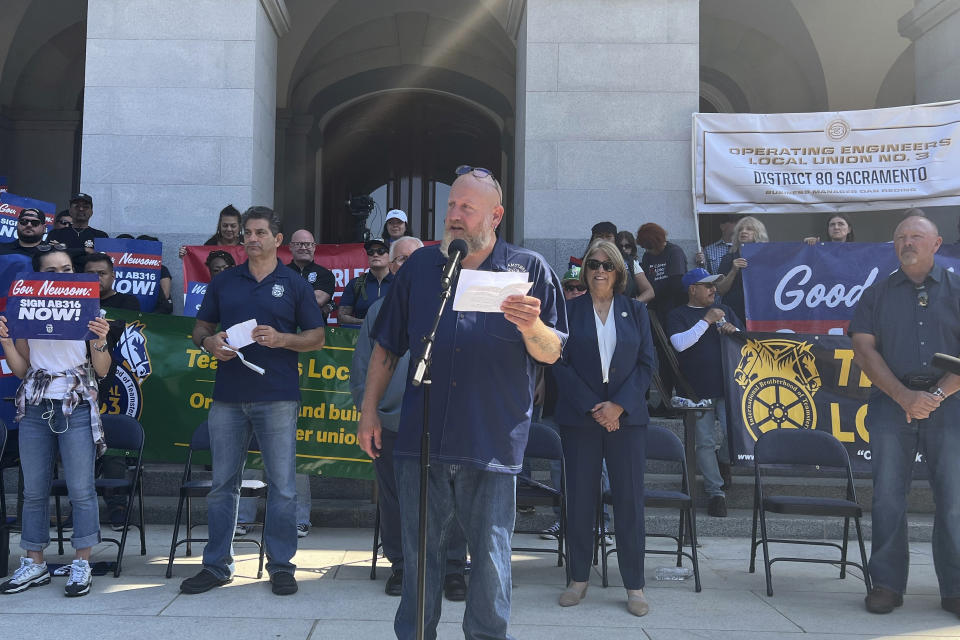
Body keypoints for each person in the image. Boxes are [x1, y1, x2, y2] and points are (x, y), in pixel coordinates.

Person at [356, 166, 566, 639]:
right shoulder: (421, 268)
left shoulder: (528, 270)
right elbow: (386, 347)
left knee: (490, 560)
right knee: (419, 556)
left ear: (495, 215)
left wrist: (531, 325)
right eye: (451, 206)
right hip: (421, 438)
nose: (454, 215)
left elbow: (552, 352)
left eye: (466, 208)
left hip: (489, 439)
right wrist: (369, 412)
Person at [180, 206, 326, 597]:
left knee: (282, 486)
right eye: (247, 232)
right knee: (222, 485)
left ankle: (281, 566)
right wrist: (209, 343)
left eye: (260, 232)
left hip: (277, 396)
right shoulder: (226, 281)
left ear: (278, 240)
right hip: (228, 396)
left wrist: (282, 339)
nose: (251, 238)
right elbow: (200, 327)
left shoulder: (293, 283)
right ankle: (216, 566)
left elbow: (317, 337)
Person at [850, 214, 960, 619]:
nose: (907, 242)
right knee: (888, 497)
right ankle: (886, 585)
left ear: (937, 244)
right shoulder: (877, 293)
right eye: (901, 237)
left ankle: (955, 589)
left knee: (954, 500)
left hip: (952, 403)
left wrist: (931, 396)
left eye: (917, 236)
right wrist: (903, 397)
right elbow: (863, 350)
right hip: (890, 404)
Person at [351, 236, 470, 600]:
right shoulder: (376, 311)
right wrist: (370, 413)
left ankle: (452, 569)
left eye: (410, 259)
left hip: (443, 422)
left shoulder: (449, 306)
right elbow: (362, 371)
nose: (404, 265)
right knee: (395, 499)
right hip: (393, 424)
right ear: (390, 265)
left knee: (452, 499)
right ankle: (402, 566)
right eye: (398, 259)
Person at [0, 245, 112, 597]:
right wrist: (5, 341)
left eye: (66, 270)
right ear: (36, 277)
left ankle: (82, 562)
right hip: (35, 404)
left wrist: (101, 340)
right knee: (33, 490)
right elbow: (23, 369)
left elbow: (103, 370)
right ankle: (33, 562)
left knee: (81, 489)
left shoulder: (92, 310)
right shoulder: (26, 310)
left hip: (75, 404)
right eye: (51, 272)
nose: (61, 277)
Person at [551, 240, 655, 617]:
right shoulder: (568, 310)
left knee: (628, 502)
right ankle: (578, 579)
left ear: (618, 272)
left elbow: (646, 365)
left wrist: (618, 405)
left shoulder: (635, 312)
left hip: (626, 421)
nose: (599, 270)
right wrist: (593, 407)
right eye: (593, 264)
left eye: (607, 265)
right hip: (581, 419)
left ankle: (635, 586)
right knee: (580, 499)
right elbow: (557, 362)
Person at [667, 268, 742, 518]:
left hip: (729, 386)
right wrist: (706, 320)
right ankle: (716, 493)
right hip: (696, 390)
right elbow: (679, 344)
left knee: (735, 435)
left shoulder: (726, 311)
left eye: (714, 286)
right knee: (705, 442)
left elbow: (745, 343)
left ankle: (724, 461)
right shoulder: (678, 314)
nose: (713, 290)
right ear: (692, 289)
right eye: (707, 286)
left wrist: (734, 332)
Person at [637, 222, 687, 411]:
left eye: (648, 245)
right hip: (655, 311)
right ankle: (664, 401)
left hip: (673, 310)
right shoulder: (648, 256)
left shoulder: (674, 252)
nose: (647, 249)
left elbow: (676, 283)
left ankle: (676, 400)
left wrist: (652, 292)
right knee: (661, 357)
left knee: (672, 357)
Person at [715, 216, 768, 326]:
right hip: (735, 313)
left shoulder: (768, 256)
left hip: (761, 312)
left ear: (758, 233)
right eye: (740, 229)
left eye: (749, 229)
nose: (743, 232)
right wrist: (733, 271)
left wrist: (809, 244)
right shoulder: (729, 257)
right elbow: (720, 290)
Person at [338, 237, 393, 325]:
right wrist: (366, 323)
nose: (375, 254)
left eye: (381, 251)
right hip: (363, 336)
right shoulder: (355, 284)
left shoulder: (399, 283)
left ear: (390, 256)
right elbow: (341, 317)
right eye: (371, 252)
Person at [287, 229, 336, 318]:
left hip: (314, 329)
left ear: (314, 247)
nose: (303, 248)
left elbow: (318, 300)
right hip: (283, 329)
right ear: (290, 247)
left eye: (308, 244)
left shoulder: (325, 274)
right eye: (298, 244)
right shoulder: (280, 273)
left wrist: (285, 294)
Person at [178, 205, 242, 258]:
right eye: (225, 225)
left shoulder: (246, 243)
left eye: (233, 226)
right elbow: (200, 263)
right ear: (219, 226)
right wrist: (186, 256)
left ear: (239, 226)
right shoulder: (210, 244)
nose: (229, 229)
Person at [615, 230, 654, 303]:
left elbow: (649, 292)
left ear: (632, 248)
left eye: (627, 246)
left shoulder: (633, 264)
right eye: (620, 246)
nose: (623, 249)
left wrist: (633, 305)